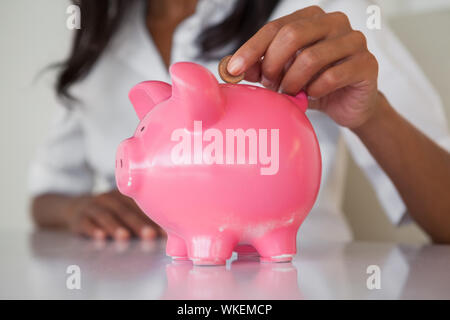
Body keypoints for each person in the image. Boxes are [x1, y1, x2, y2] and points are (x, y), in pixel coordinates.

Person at [29, 0, 450, 243]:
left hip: (293, 280)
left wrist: (371, 113)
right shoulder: (100, 34)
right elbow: (47, 194)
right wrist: (76, 209)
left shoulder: (316, 10)